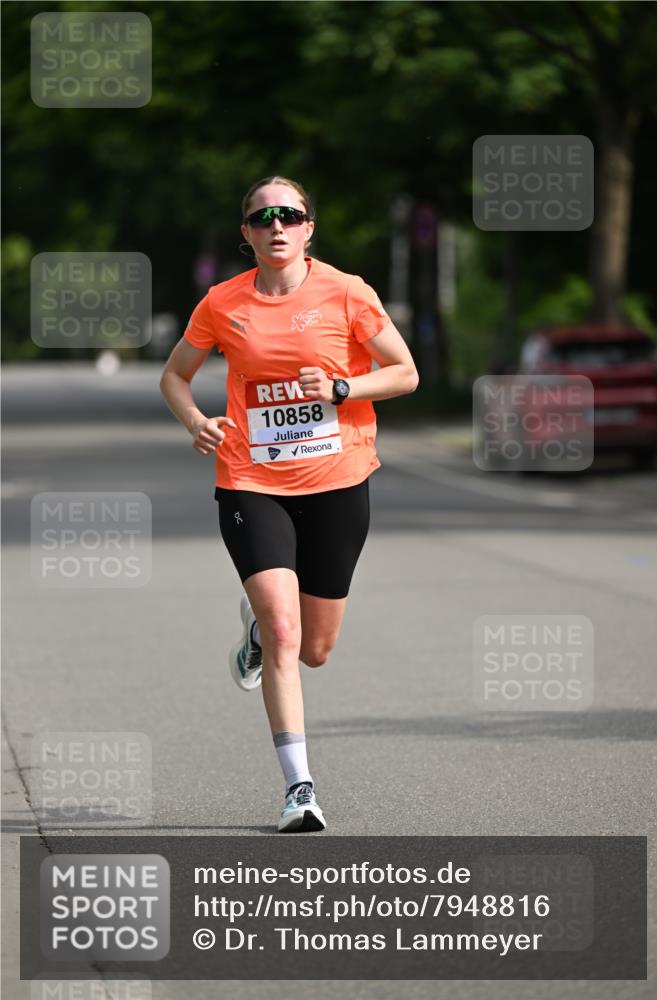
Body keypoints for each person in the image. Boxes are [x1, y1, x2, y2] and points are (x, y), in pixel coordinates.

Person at [160, 175, 418, 832]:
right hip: (250, 479)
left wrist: (340, 385)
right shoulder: (222, 302)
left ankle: (254, 629)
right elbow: (175, 375)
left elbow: (404, 372)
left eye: (290, 215)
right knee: (284, 630)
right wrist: (195, 421)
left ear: (308, 228)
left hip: (337, 480)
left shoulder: (346, 291)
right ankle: (298, 788)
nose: (277, 225)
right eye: (262, 216)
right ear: (246, 233)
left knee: (315, 648)